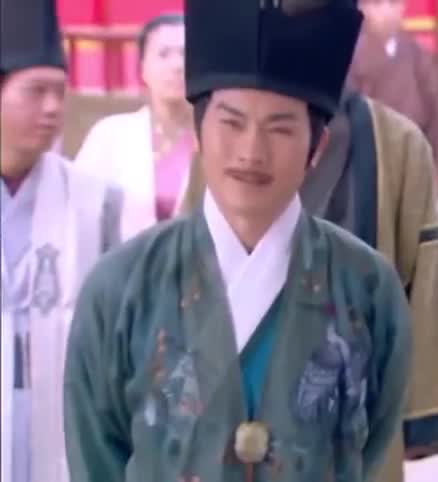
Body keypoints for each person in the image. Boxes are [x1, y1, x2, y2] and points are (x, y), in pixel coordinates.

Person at [63, 1, 411, 481]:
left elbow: (374, 450)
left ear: (317, 148)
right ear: (198, 132)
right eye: (231, 122)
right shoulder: (120, 288)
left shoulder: (368, 288)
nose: (251, 151)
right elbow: (95, 459)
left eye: (280, 128)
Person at [181, 89, 438, 482]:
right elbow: (188, 267)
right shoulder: (228, 134)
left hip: (350, 405)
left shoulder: (396, 142)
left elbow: (425, 280)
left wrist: (428, 416)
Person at [0, 0, 129, 481]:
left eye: (60, 91)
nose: (53, 107)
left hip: (62, 431)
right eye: (36, 91)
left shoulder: (96, 201)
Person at [75, 14, 192, 237]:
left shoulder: (215, 138)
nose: (177, 65)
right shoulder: (109, 135)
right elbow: (79, 212)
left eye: (185, 54)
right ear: (142, 68)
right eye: (163, 54)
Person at [348, 0, 438, 176]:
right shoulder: (350, 55)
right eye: (377, 4)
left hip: (412, 154)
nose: (387, 11)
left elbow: (435, 114)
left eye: (393, 3)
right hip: (368, 157)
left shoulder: (418, 54)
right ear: (361, 8)